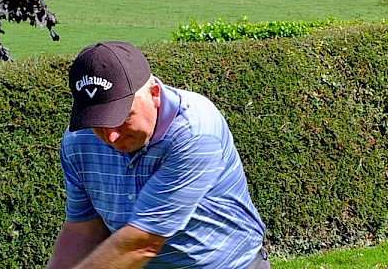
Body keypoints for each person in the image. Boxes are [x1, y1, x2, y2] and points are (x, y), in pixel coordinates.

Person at [46, 41, 269, 269]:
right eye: (98, 123)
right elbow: (84, 229)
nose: (110, 137)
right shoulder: (79, 140)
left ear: (154, 95)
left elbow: (142, 243)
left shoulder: (195, 131)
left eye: (122, 118)